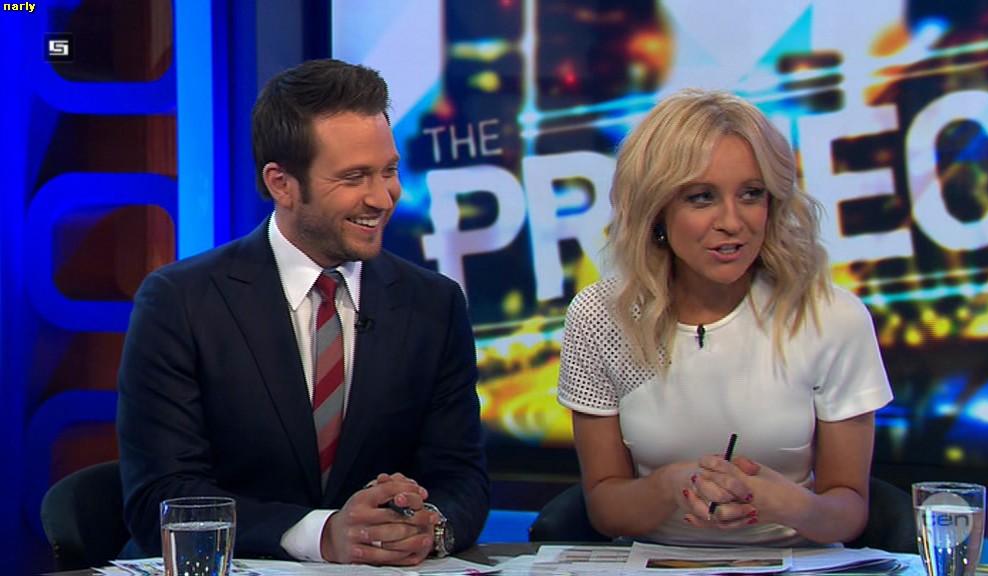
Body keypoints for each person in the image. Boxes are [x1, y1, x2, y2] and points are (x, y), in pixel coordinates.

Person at [116, 59, 489, 565]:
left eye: (389, 170)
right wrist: (322, 533)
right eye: (354, 177)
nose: (382, 198)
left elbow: (462, 478)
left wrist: (429, 527)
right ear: (282, 184)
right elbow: (161, 496)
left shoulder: (434, 305)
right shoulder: (181, 303)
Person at [557, 88, 893, 546]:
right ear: (656, 209)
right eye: (702, 197)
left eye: (751, 194)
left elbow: (849, 511)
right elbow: (605, 508)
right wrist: (672, 486)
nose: (732, 222)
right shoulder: (601, 316)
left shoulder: (832, 317)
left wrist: (784, 502)